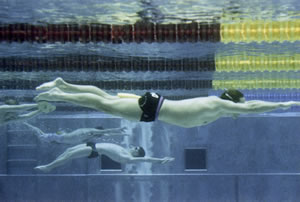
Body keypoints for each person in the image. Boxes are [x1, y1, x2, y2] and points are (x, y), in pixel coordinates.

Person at [34, 77, 300, 128]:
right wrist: (279, 105)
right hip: (154, 108)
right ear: (233, 101)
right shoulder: (219, 105)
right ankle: (60, 94)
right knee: (102, 104)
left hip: (154, 108)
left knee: (104, 99)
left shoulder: (217, 110)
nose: (239, 110)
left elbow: (246, 108)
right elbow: (251, 108)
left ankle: (63, 85)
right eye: (238, 105)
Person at [34, 142, 175, 172]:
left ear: (137, 153)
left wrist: (161, 160)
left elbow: (146, 159)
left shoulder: (128, 158)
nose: (133, 146)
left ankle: (49, 167)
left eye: (136, 148)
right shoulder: (124, 149)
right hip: (93, 144)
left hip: (94, 151)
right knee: (69, 149)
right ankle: (50, 165)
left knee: (70, 155)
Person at [24, 122, 128, 144]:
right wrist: (120, 132)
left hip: (61, 137)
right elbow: (106, 133)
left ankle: (25, 123)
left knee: (38, 132)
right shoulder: (89, 135)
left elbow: (106, 132)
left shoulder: (91, 133)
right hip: (61, 137)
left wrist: (119, 129)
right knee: (39, 132)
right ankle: (26, 124)